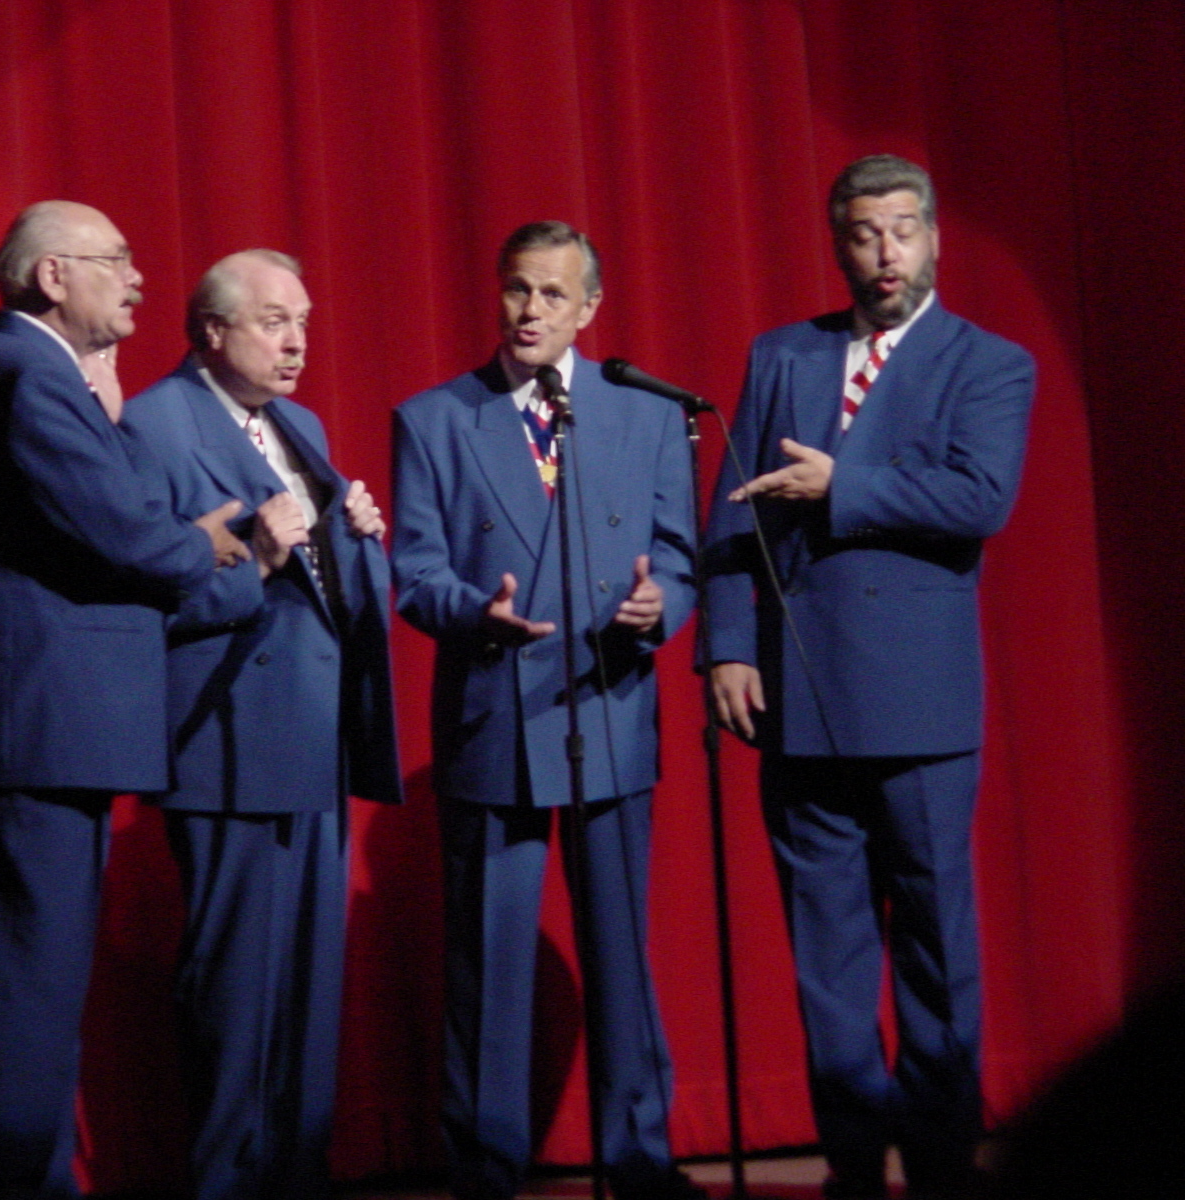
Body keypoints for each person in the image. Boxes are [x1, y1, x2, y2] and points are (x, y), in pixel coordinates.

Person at [704, 155, 1035, 1200]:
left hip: (919, 706)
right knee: (828, 958)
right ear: (838, 244)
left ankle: (939, 1162)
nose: (884, 252)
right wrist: (728, 644)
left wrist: (842, 484)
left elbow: (978, 498)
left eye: (901, 229)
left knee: (935, 949)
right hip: (799, 697)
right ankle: (851, 1163)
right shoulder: (783, 355)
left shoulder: (988, 363)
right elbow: (732, 515)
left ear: (931, 236)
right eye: (862, 234)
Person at [0, 201, 259, 1200]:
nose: (139, 278)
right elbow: (132, 536)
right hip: (35, 739)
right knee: (24, 1004)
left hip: (47, 739)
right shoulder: (27, 379)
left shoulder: (42, 378)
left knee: (33, 999)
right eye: (115, 259)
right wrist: (207, 542)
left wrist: (165, 512)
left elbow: (118, 522)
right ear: (52, 275)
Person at [391, 221, 699, 1200]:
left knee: (620, 954)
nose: (530, 311)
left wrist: (661, 606)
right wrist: (470, 613)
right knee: (487, 963)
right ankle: (485, 1168)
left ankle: (638, 1160)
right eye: (517, 289)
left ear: (589, 308)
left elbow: (679, 552)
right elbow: (414, 572)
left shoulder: (645, 413)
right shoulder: (435, 419)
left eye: (553, 295)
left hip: (609, 704)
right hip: (494, 712)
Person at [122, 249, 400, 1200]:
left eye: (304, 322)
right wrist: (261, 563)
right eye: (274, 322)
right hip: (227, 741)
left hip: (315, 738)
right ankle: (226, 1181)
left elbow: (331, 594)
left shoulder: (299, 425)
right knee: (236, 991)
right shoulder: (155, 425)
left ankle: (296, 1172)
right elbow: (141, 602)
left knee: (307, 996)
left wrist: (360, 543)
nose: (296, 343)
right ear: (212, 331)